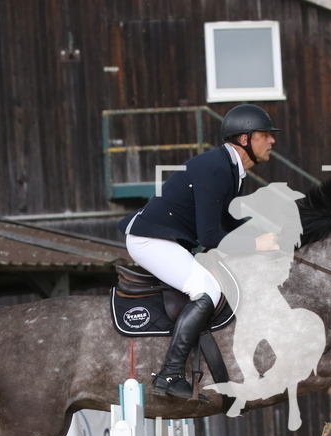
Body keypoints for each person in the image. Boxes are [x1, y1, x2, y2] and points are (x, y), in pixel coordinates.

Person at [118, 104, 281, 401]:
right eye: (265, 135)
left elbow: (226, 222)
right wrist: (257, 244)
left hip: (167, 238)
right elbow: (209, 236)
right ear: (245, 139)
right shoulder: (217, 168)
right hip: (150, 240)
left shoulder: (231, 169)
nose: (272, 141)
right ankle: (171, 372)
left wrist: (267, 236)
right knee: (207, 291)